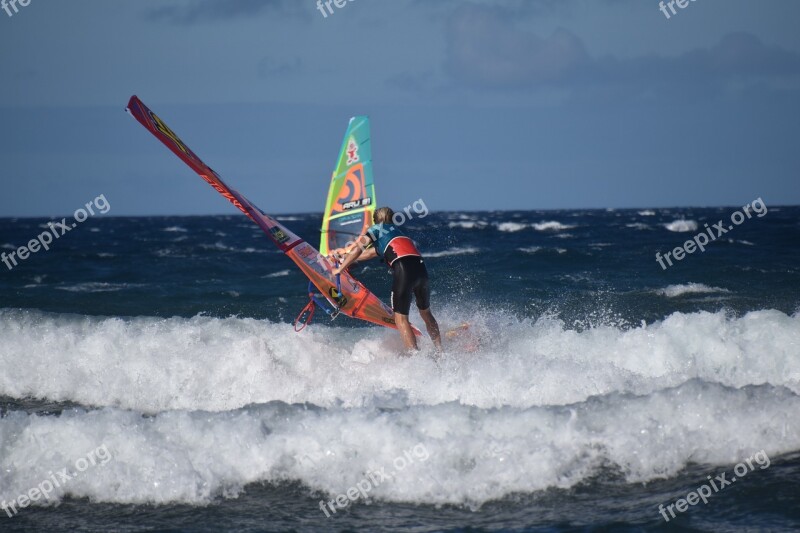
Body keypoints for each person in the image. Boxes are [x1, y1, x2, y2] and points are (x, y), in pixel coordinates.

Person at [331, 207, 442, 352]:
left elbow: (359, 248)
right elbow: (370, 253)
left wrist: (340, 268)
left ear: (375, 220)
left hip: (404, 270)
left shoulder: (376, 228)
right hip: (422, 271)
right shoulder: (397, 233)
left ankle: (415, 358)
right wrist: (344, 257)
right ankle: (440, 352)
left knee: (400, 319)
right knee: (426, 313)